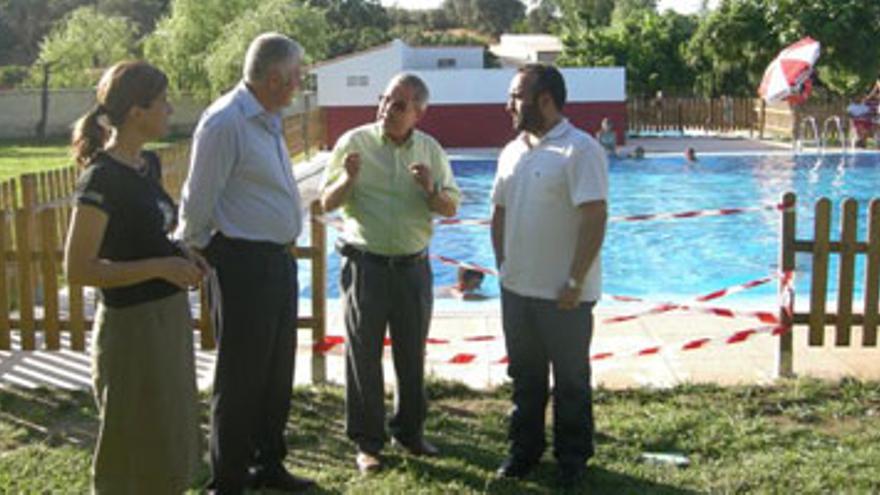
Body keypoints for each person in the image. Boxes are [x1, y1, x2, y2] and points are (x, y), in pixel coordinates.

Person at [175, 33, 314, 494]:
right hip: (241, 264)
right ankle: (229, 480)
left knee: (276, 372)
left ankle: (268, 466)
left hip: (276, 261)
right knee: (240, 377)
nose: (300, 84)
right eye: (295, 76)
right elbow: (198, 199)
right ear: (274, 77)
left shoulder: (268, 117)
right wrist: (193, 249)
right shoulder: (225, 122)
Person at [64, 61, 204, 494]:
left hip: (167, 317)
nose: (170, 108)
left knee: (169, 427)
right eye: (162, 101)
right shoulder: (102, 177)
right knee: (131, 436)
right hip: (130, 328)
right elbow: (78, 268)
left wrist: (180, 253)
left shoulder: (149, 165)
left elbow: (146, 234)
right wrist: (163, 267)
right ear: (137, 111)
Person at [320, 73, 461, 475]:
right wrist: (348, 179)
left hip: (413, 268)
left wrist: (431, 190)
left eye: (398, 105)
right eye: (383, 101)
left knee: (411, 353)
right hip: (366, 266)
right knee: (362, 355)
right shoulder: (355, 142)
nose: (386, 110)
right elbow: (325, 203)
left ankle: (410, 432)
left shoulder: (430, 150)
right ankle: (368, 443)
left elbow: (450, 207)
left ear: (418, 112)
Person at [491, 64, 608, 488]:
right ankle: (524, 451)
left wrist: (575, 281)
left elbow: (594, 217)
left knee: (571, 378)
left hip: (565, 294)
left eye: (516, 96)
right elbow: (499, 211)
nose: (508, 105)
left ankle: (573, 459)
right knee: (525, 376)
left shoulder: (581, 150)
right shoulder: (512, 150)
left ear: (544, 99)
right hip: (517, 290)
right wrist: (504, 267)